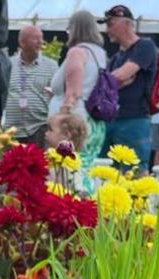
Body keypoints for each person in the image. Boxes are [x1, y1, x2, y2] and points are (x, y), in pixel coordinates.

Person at [47, 10, 109, 173]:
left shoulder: (77, 52)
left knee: (67, 170)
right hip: (95, 120)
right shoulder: (100, 54)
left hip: (75, 120)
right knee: (87, 168)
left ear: (75, 28)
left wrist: (60, 119)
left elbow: (74, 91)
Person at [100, 5, 158, 166]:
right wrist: (115, 81)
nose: (107, 30)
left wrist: (114, 81)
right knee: (106, 174)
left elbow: (119, 76)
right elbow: (110, 83)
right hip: (113, 120)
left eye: (111, 24)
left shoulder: (145, 46)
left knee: (135, 173)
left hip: (135, 120)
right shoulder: (116, 58)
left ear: (126, 24)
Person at [3, 25, 60, 146]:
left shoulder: (52, 66)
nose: (40, 42)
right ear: (22, 43)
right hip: (12, 131)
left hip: (39, 129)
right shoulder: (8, 65)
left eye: (41, 38)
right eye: (35, 39)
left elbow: (58, 96)